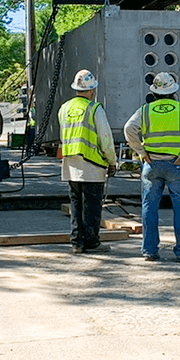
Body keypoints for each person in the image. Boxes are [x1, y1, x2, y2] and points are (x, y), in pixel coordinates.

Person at [124, 71, 180, 262]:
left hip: (152, 164)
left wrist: (141, 152)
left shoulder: (145, 110)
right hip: (176, 165)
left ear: (154, 92)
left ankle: (149, 250)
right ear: (174, 91)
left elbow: (128, 128)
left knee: (149, 207)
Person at [58, 69, 117, 254]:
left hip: (71, 164)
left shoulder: (65, 108)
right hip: (92, 165)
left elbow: (63, 136)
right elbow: (105, 138)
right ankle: (91, 242)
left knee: (76, 205)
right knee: (91, 206)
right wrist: (112, 161)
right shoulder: (94, 109)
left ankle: (77, 242)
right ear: (92, 90)